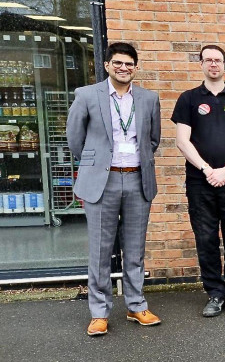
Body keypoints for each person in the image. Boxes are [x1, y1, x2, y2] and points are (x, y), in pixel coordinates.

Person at [66, 42, 162, 336]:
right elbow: (74, 139)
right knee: (100, 250)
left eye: (129, 64)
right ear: (107, 65)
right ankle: (99, 312)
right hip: (101, 182)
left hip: (136, 178)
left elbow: (153, 139)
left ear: (136, 67)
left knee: (135, 249)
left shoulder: (148, 98)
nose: (123, 68)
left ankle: (136, 305)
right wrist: (95, 165)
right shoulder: (86, 95)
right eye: (118, 63)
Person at [172, 45, 225, 317]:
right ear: (201, 64)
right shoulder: (188, 99)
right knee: (205, 238)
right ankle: (215, 293)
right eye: (208, 60)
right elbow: (182, 141)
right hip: (199, 182)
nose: (213, 65)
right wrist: (208, 170)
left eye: (218, 60)